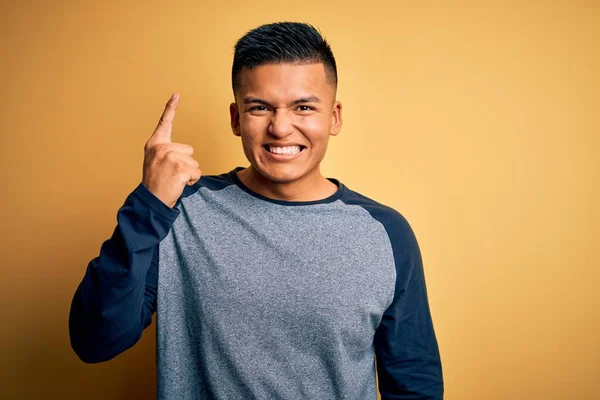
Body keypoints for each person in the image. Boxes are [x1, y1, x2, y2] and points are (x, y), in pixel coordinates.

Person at [69, 22, 443, 399]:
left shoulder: (385, 233)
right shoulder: (176, 212)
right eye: (260, 107)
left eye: (304, 107)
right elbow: (95, 341)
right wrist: (147, 204)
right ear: (236, 118)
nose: (281, 128)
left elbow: (415, 384)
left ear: (334, 117)